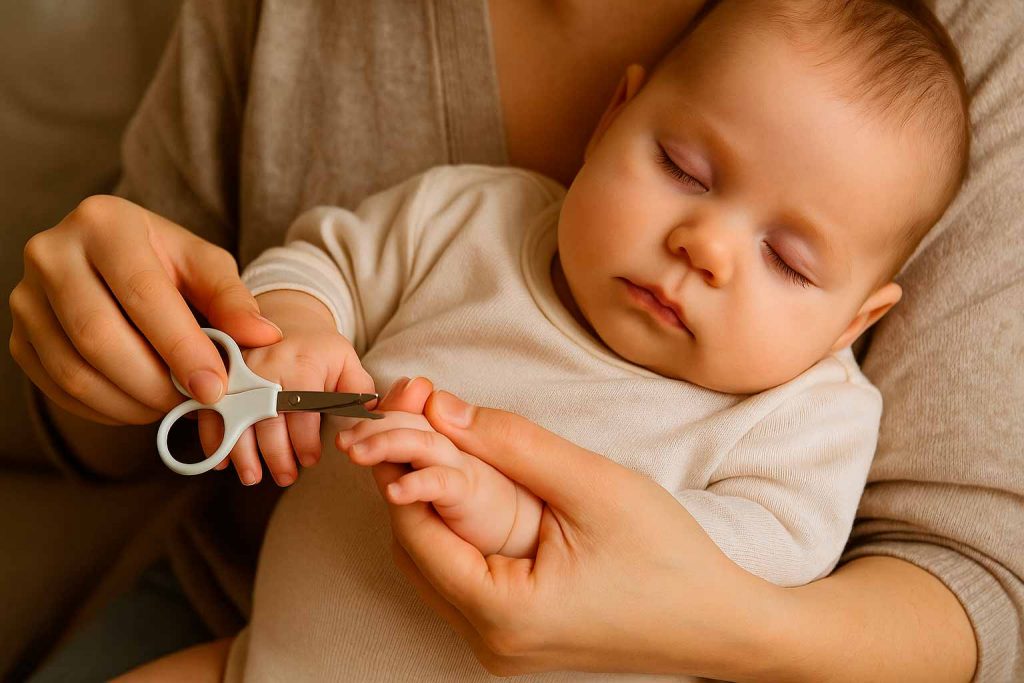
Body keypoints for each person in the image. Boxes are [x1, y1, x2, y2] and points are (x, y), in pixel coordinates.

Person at [9, 0, 1021, 681]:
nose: (703, 245)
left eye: (790, 262)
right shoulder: (470, 218)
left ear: (858, 318)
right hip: (256, 649)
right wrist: (292, 331)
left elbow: (770, 558)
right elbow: (325, 260)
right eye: (679, 163)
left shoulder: (803, 415)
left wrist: (517, 519)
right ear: (611, 118)